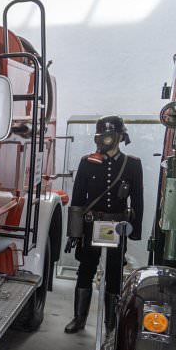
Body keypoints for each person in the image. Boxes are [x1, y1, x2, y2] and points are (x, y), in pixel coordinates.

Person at [64, 115, 144, 334]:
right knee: (86, 270)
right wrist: (75, 231)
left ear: (119, 137)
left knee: (114, 274)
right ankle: (79, 318)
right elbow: (78, 198)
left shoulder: (132, 164)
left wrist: (135, 231)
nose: (105, 140)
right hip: (91, 225)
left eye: (109, 135)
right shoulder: (87, 163)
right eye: (102, 136)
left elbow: (137, 199)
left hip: (117, 227)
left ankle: (111, 323)